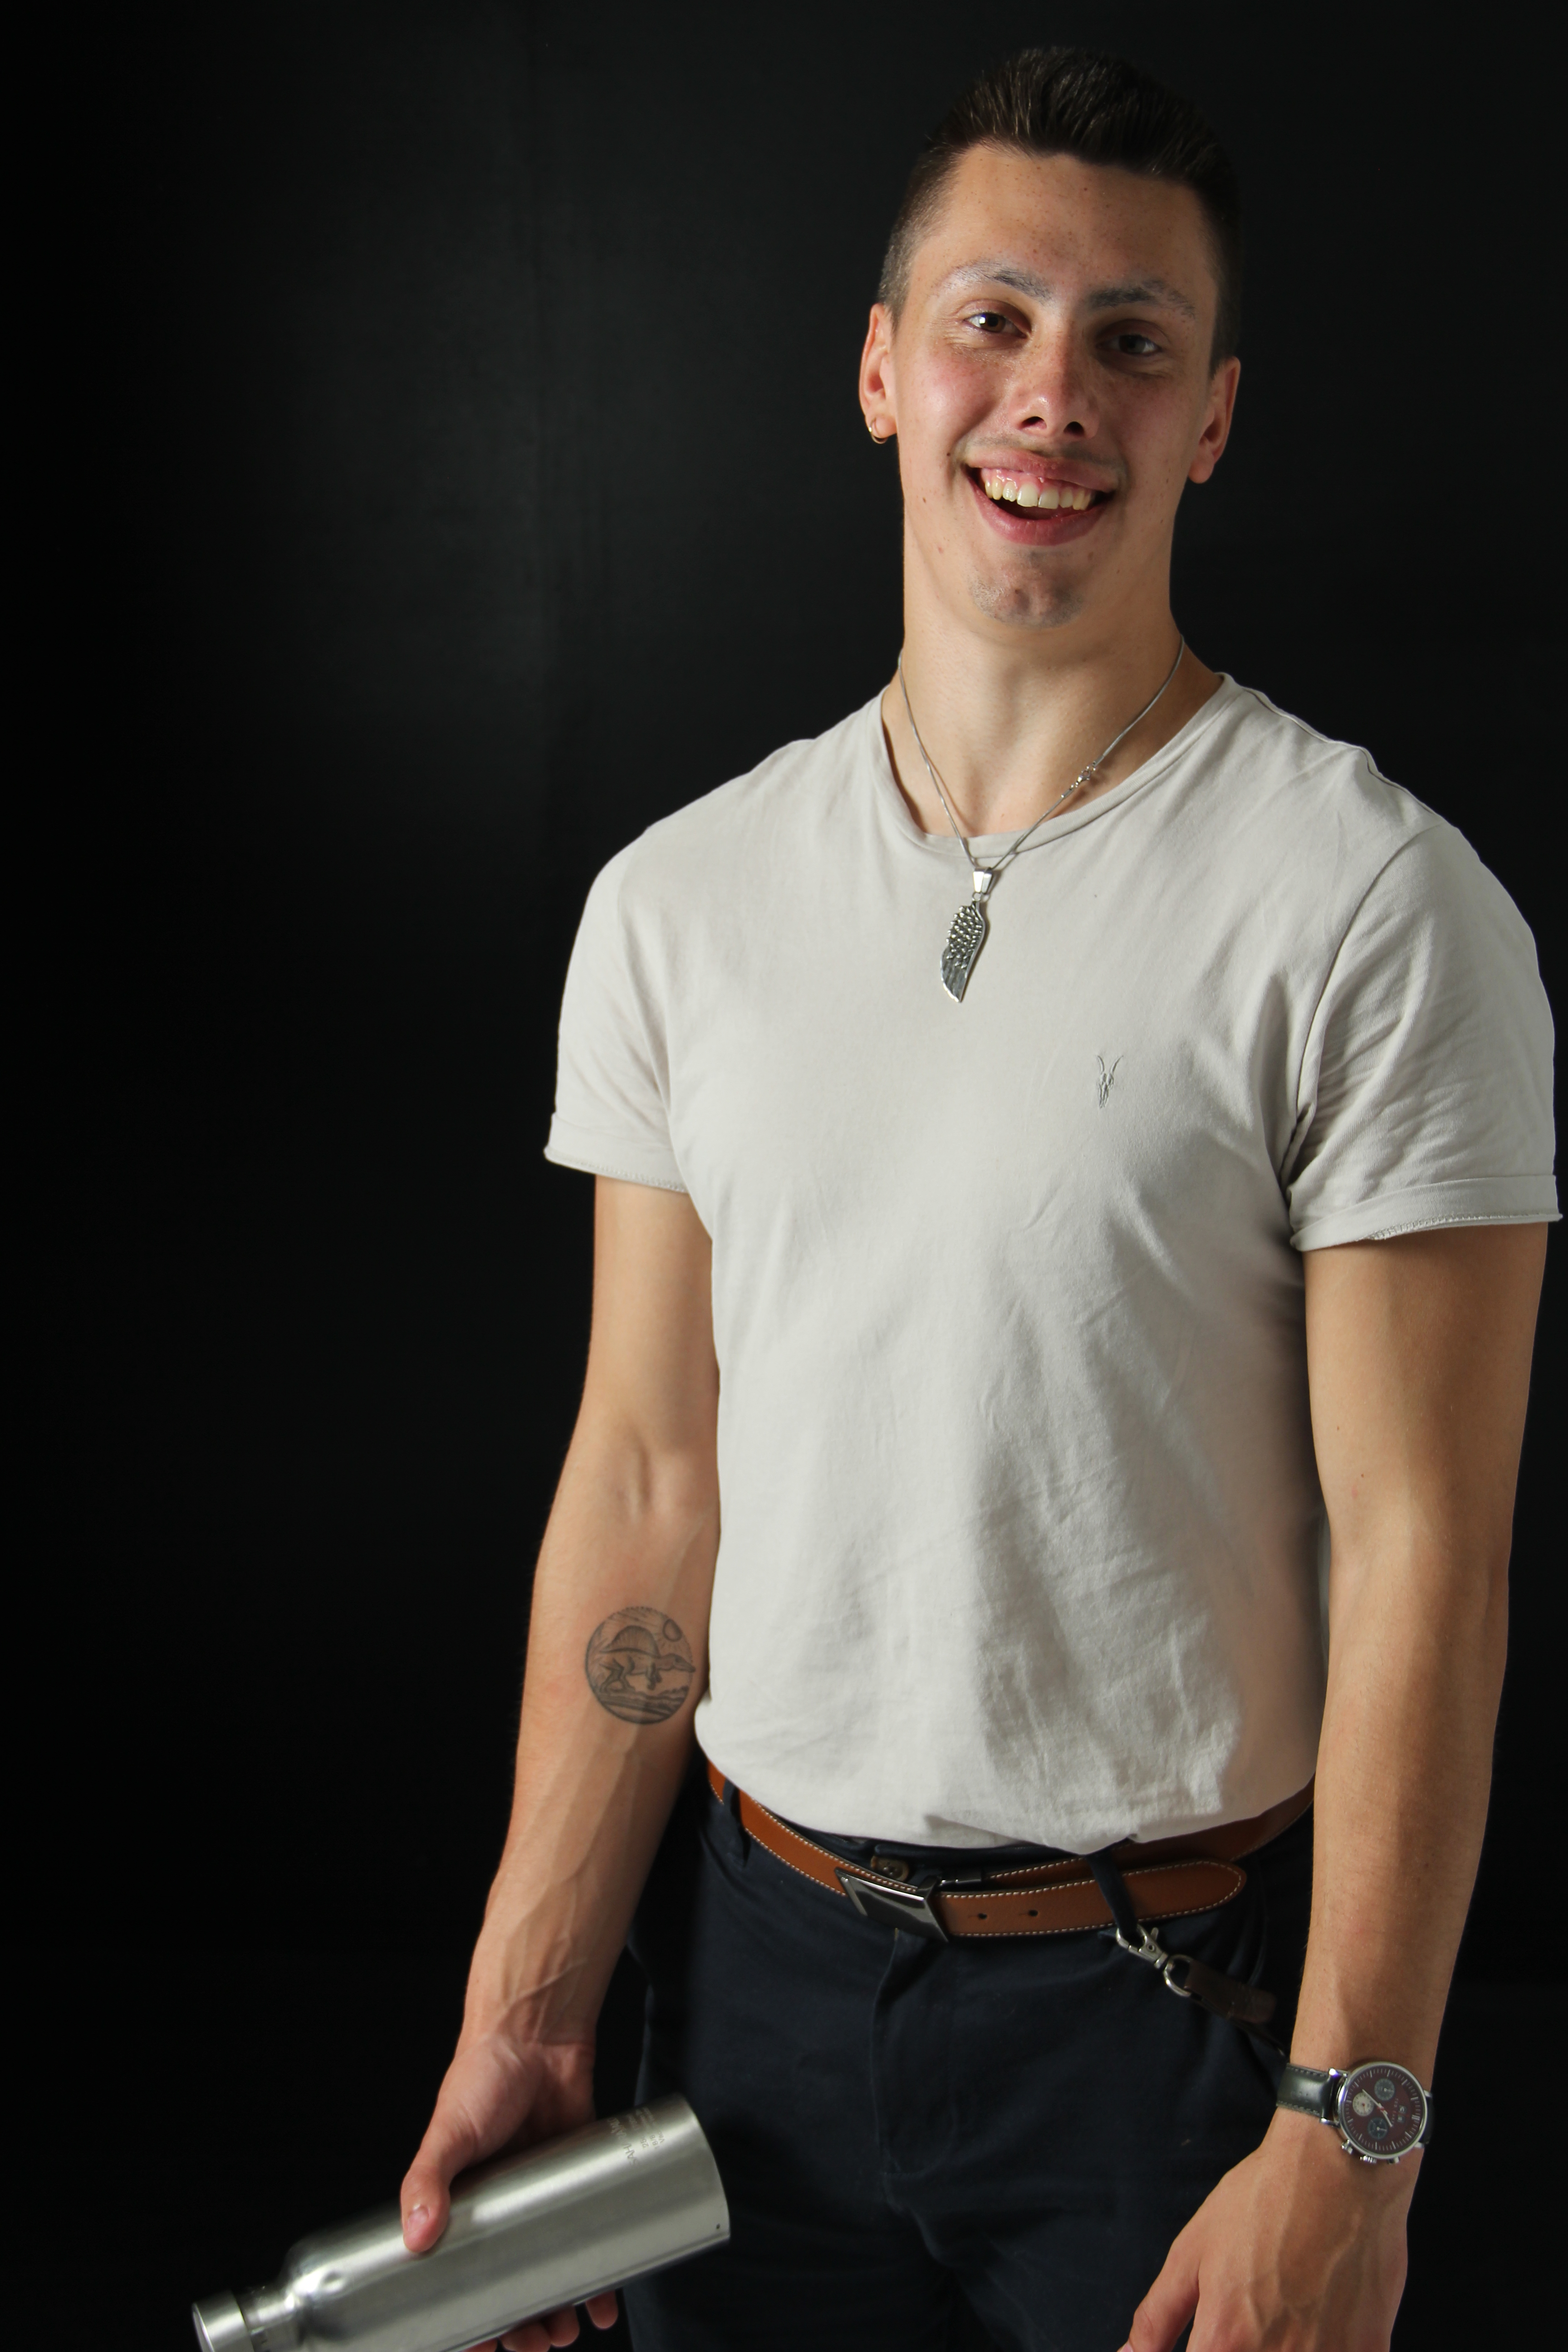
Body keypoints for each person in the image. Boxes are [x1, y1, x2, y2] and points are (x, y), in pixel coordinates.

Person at [399, 47, 1554, 2352]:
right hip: (747, 1999)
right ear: (879, 370)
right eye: (993, 321)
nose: (1055, 397)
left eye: (1135, 340)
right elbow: (649, 1484)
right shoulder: (682, 903)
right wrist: (532, 1999)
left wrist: (1355, 2128)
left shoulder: (1370, 906)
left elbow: (1426, 1554)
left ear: (1212, 419)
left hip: (1165, 2020)